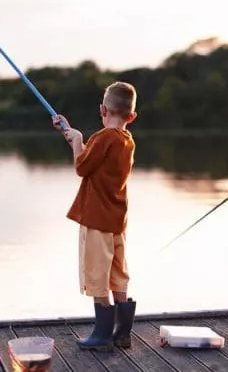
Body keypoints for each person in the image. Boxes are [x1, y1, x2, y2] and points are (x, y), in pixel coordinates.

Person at [52, 81, 139, 351]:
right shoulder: (126, 141)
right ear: (131, 116)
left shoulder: (102, 138)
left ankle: (102, 336)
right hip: (117, 222)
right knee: (117, 274)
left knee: (97, 274)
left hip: (97, 221)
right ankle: (122, 334)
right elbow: (95, 161)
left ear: (102, 109)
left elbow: (82, 166)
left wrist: (77, 140)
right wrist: (72, 134)